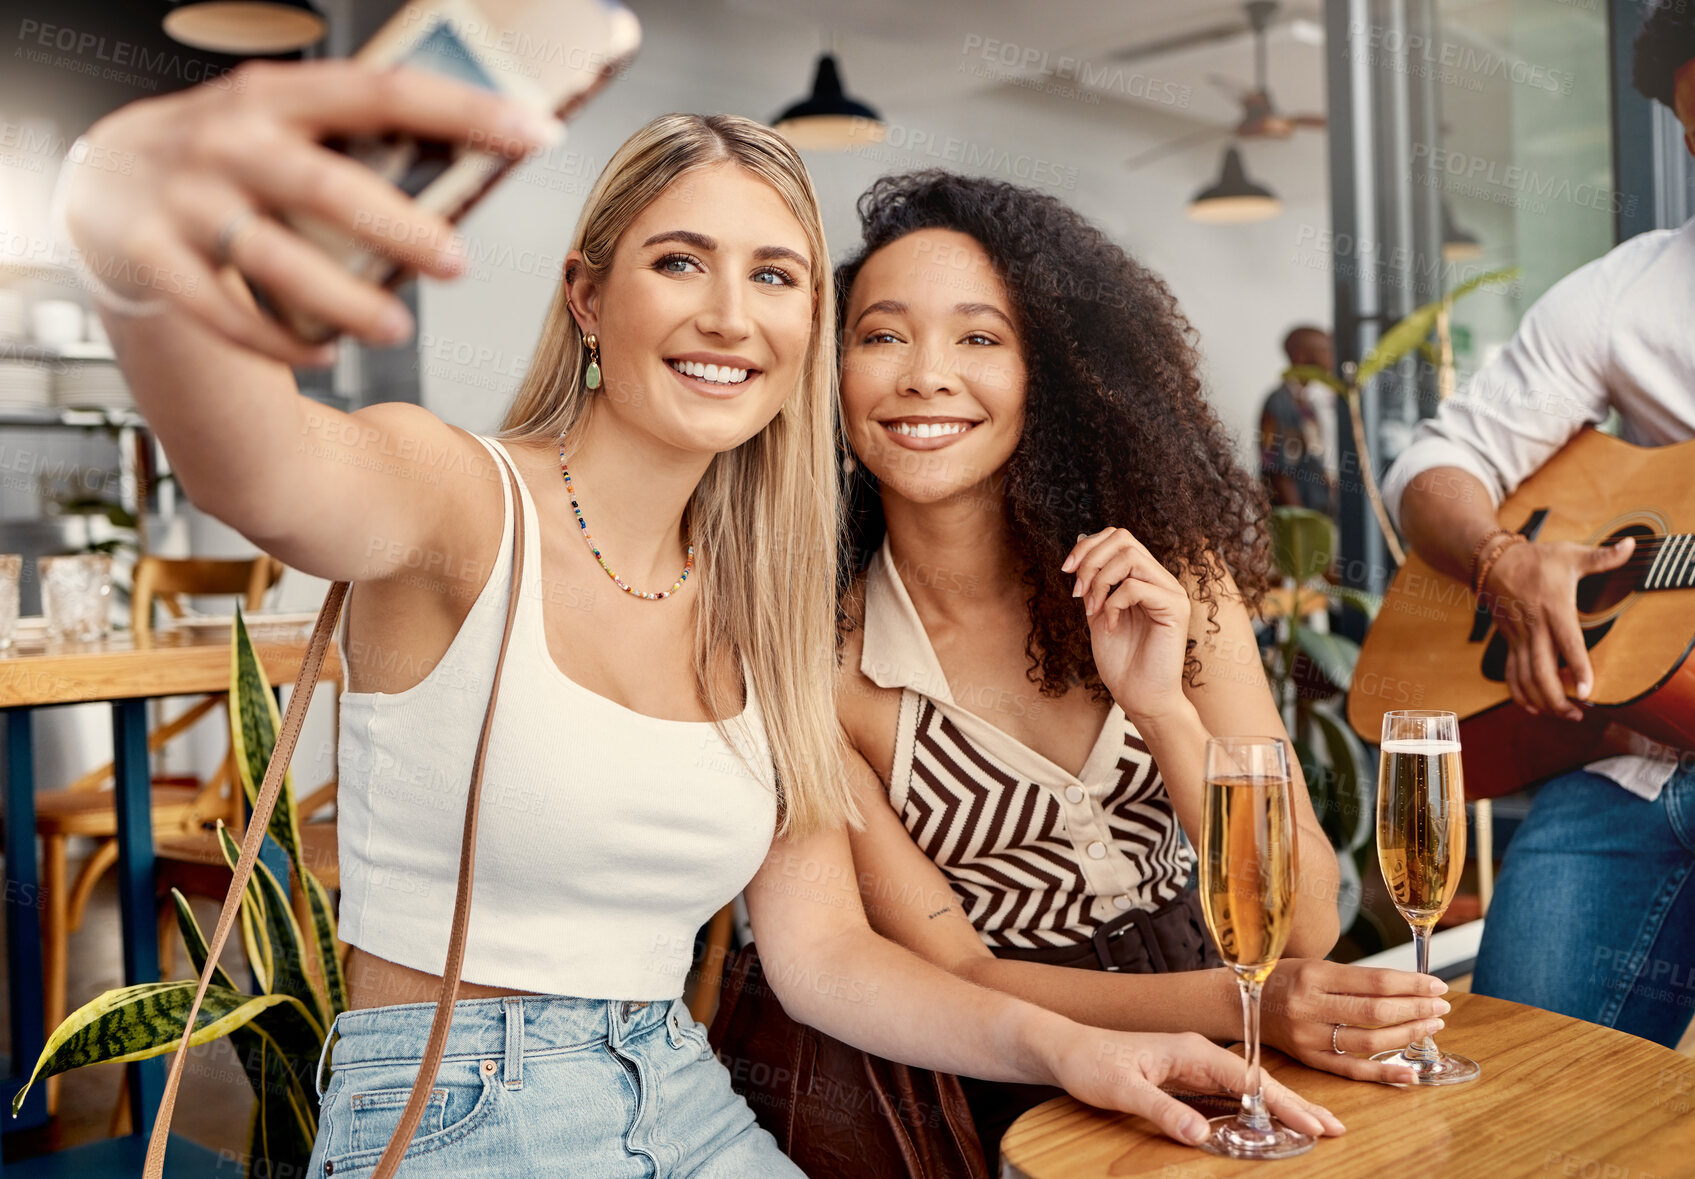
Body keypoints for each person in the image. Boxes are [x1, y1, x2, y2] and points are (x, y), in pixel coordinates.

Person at [61, 61, 1343, 1174]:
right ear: (586, 297)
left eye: (775, 276)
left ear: (803, 334)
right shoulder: (457, 497)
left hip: (681, 1094)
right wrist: (132, 222)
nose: (731, 314)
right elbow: (261, 471)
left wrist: (1083, 1052)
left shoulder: (763, 613)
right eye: (682, 262)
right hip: (463, 1111)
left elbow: (828, 958)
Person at [823, 172, 1447, 1165]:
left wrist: (1160, 708)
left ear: (1051, 375)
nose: (924, 376)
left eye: (979, 338)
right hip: (1023, 1075)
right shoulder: (826, 671)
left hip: (1249, 1035)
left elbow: (1311, 918)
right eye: (881, 335)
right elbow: (963, 973)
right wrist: (1248, 1008)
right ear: (838, 370)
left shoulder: (1174, 581)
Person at [1383, 6, 1695, 1049]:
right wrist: (1504, 562)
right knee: (1513, 1096)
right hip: (1628, 765)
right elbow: (1433, 465)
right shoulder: (1628, 294)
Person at [1260, 325, 1339, 517]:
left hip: (1319, 512)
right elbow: (1278, 471)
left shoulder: (1309, 402)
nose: (1331, 356)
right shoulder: (1280, 403)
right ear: (1300, 356)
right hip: (1298, 521)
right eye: (1324, 350)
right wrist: (1299, 523)